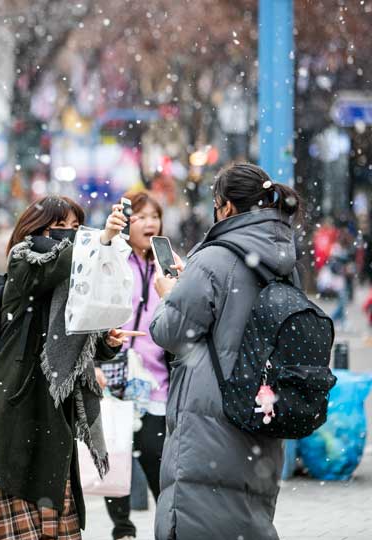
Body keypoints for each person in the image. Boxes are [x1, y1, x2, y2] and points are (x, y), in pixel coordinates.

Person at [0, 195, 141, 540]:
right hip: (17, 405)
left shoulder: (74, 279)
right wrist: (98, 240)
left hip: (53, 410)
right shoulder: (24, 260)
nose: (70, 235)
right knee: (24, 519)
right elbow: (52, 269)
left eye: (76, 227)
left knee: (59, 522)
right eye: (60, 227)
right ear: (36, 228)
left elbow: (78, 341)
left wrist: (106, 340)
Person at [150, 163, 301, 540]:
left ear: (227, 208)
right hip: (260, 411)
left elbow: (170, 331)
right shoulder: (284, 261)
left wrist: (169, 296)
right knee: (247, 516)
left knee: (196, 519)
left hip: (210, 416)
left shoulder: (214, 258)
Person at [96, 191, 170, 540]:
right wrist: (108, 238)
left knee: (157, 456)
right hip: (117, 374)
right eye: (140, 216)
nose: (150, 222)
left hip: (156, 379)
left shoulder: (168, 264)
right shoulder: (116, 259)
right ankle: (122, 529)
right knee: (117, 455)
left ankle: (169, 525)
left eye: (155, 216)